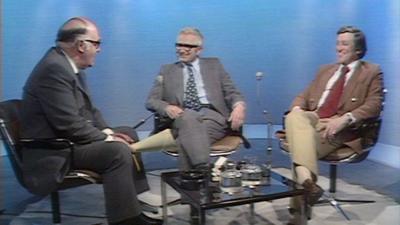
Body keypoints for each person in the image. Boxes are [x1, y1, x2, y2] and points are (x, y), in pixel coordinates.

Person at [19, 17, 162, 225]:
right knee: (117, 151)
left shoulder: (69, 66)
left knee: (128, 133)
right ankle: (126, 220)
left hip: (68, 142)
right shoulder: (54, 69)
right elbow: (68, 125)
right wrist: (108, 138)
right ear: (81, 45)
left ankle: (134, 203)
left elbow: (90, 111)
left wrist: (108, 131)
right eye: (97, 44)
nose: (99, 49)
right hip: (56, 150)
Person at [284, 26, 384, 223]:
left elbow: (374, 104)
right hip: (313, 118)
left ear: (358, 50)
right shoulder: (325, 70)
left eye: (344, 44)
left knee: (300, 147)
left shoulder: (371, 71)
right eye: (338, 43)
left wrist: (346, 118)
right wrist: (297, 108)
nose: (338, 48)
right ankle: (308, 184)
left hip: (339, 126)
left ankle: (300, 214)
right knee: (293, 117)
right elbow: (303, 96)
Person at [146, 27, 246, 171]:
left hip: (212, 118)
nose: (181, 49)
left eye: (188, 46)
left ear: (199, 49)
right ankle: (203, 169)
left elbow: (232, 91)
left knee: (186, 137)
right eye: (179, 45)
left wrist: (239, 106)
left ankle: (191, 179)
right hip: (181, 116)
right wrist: (166, 108)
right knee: (189, 119)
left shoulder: (214, 65)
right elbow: (151, 100)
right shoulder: (167, 70)